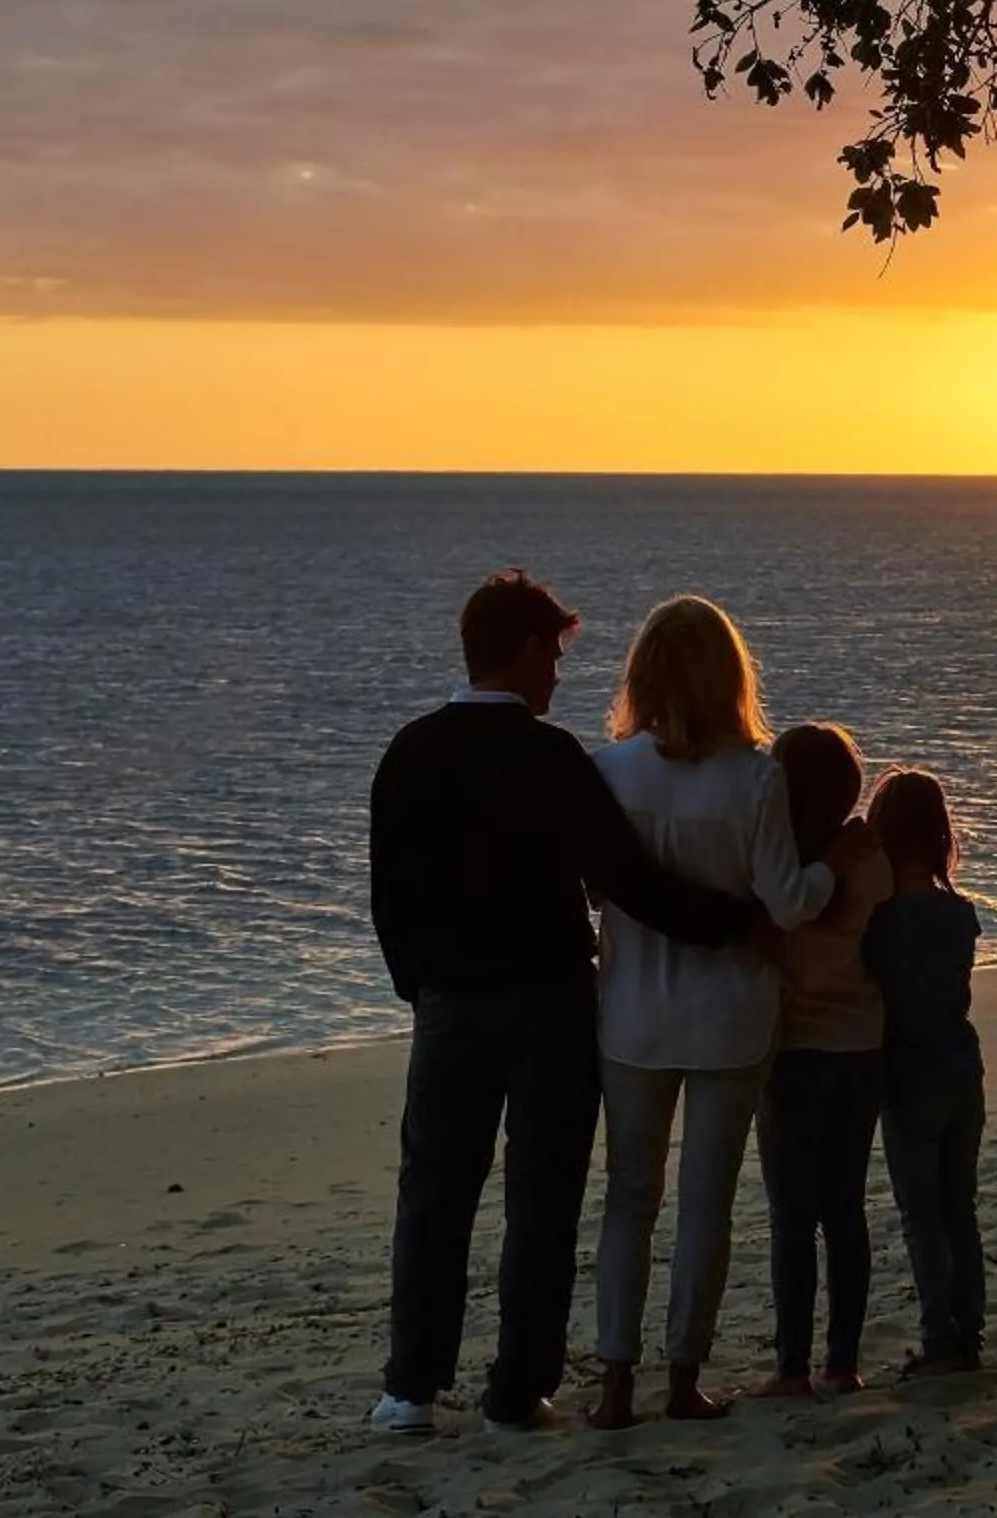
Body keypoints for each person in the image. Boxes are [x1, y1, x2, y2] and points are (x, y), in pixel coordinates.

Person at [367, 571, 766, 1437]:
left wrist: (422, 986)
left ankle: (411, 1386)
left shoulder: (409, 751)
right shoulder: (551, 760)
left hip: (452, 1007)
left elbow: (388, 898)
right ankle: (518, 1389)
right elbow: (627, 882)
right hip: (548, 1003)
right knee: (540, 1202)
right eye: (550, 654)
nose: (556, 673)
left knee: (434, 1193)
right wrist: (741, 922)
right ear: (516, 653)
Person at [588, 595, 838, 1428]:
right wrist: (838, 868)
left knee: (630, 1197)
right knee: (705, 1202)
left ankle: (616, 1376)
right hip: (730, 1016)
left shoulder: (611, 769)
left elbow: (598, 890)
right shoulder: (755, 776)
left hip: (631, 1013)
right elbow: (787, 902)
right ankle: (684, 1374)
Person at [747, 721, 894, 1400]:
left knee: (791, 1216)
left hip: (795, 1051)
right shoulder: (868, 859)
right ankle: (843, 1362)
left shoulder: (771, 860)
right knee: (845, 1209)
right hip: (861, 1044)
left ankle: (791, 1366)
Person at [860, 767, 986, 1376]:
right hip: (963, 1070)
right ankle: (971, 1332)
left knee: (922, 1216)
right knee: (960, 1208)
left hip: (909, 1080)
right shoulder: (959, 915)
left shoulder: (878, 924)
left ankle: (940, 1338)